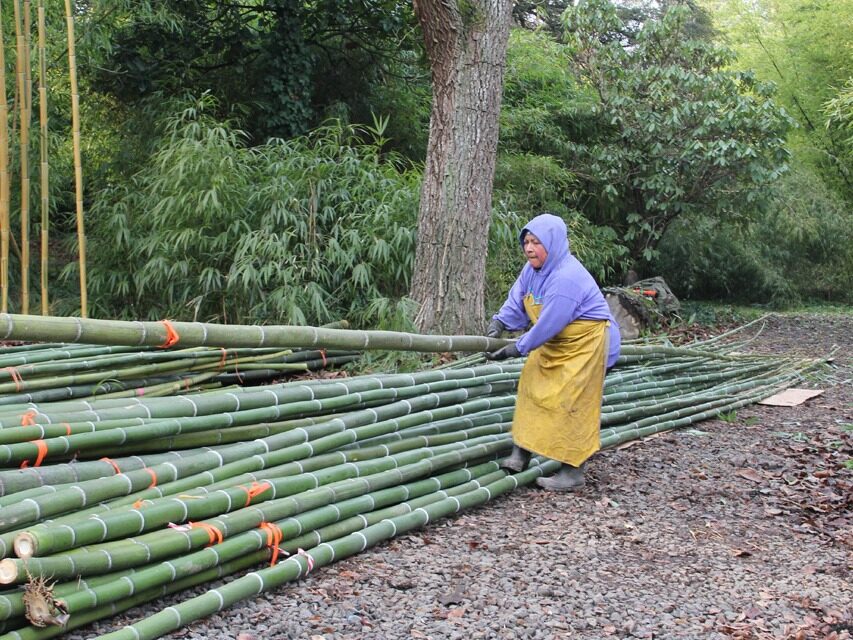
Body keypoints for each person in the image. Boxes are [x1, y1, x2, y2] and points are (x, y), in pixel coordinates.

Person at [485, 212, 621, 491]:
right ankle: (521, 453)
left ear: (553, 243)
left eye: (536, 242)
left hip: (585, 344)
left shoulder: (567, 277)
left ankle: (572, 471)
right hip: (553, 342)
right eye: (526, 242)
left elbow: (550, 321)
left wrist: (517, 347)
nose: (530, 248)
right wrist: (500, 322)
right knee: (531, 386)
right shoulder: (531, 271)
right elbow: (518, 300)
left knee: (572, 402)